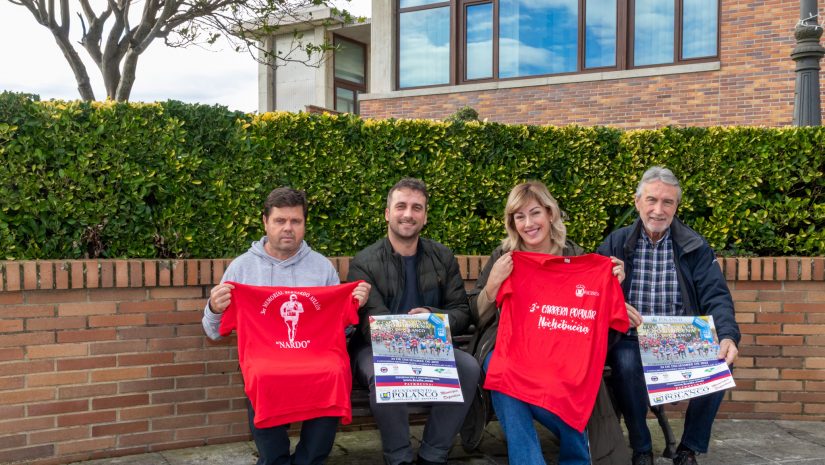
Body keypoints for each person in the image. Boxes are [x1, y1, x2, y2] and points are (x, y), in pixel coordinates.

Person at [201, 187, 371, 465]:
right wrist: (214, 308)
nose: (288, 228)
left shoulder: (321, 268)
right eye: (280, 221)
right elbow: (211, 330)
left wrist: (352, 304)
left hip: (314, 358)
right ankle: (274, 460)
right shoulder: (241, 269)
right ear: (265, 222)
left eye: (296, 221)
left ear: (304, 224)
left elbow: (337, 329)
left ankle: (309, 460)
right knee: (262, 374)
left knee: (335, 370)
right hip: (266, 359)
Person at [469, 181, 631, 465]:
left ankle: (574, 456)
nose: (529, 223)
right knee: (502, 370)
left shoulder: (577, 257)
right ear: (512, 222)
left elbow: (593, 310)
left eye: (535, 213)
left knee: (564, 378)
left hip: (563, 345)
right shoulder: (505, 257)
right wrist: (492, 284)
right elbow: (476, 314)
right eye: (520, 217)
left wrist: (612, 286)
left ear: (550, 213)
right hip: (509, 342)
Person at [597, 166, 740, 465]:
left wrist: (727, 336)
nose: (658, 210)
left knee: (722, 361)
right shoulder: (615, 243)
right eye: (651, 200)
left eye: (667, 202)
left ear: (676, 206)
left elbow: (717, 296)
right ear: (637, 202)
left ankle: (688, 449)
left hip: (681, 338)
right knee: (623, 361)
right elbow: (590, 293)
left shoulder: (695, 246)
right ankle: (642, 448)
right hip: (631, 336)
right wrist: (615, 306)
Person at [347, 177, 481, 465]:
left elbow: (461, 310)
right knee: (385, 373)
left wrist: (434, 317)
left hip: (433, 345)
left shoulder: (443, 257)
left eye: (416, 207)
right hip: (376, 349)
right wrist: (417, 331)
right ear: (387, 213)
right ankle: (399, 457)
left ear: (425, 216)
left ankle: (434, 453)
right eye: (401, 206)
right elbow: (372, 325)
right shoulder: (364, 262)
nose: (408, 214)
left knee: (468, 368)